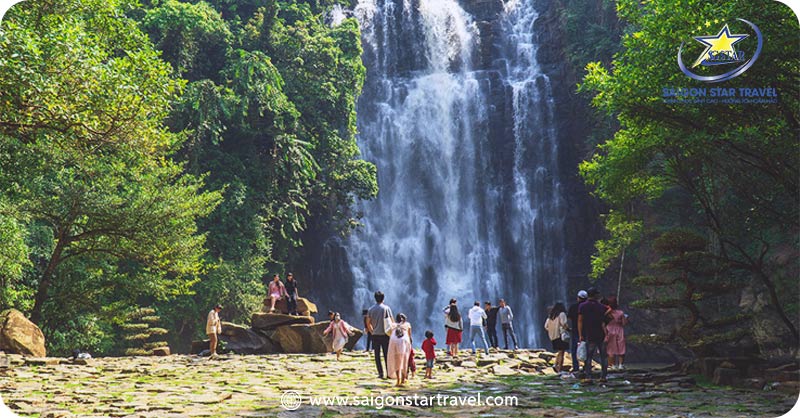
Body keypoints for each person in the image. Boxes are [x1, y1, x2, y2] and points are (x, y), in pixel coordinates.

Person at [578, 287, 609, 383]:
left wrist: (580, 334)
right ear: (596, 295)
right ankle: (603, 376)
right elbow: (609, 313)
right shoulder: (601, 307)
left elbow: (580, 321)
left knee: (589, 356)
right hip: (600, 333)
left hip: (589, 333)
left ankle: (588, 376)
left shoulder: (582, 306)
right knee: (603, 356)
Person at [366, 291, 394, 379]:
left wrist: (372, 331)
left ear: (375, 298)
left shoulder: (371, 309)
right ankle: (389, 372)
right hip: (385, 334)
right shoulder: (386, 308)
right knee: (387, 354)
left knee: (377, 354)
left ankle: (380, 373)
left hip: (375, 335)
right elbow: (392, 321)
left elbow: (368, 322)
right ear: (383, 298)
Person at [387, 313, 412, 386]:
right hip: (404, 341)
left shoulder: (393, 325)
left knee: (396, 361)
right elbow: (409, 334)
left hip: (394, 342)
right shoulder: (407, 324)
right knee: (404, 360)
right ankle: (403, 379)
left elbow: (389, 333)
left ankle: (398, 379)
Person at [544, 302, 569, 373]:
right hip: (560, 336)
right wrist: (569, 330)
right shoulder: (562, 314)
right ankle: (559, 368)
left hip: (553, 336)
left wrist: (552, 330)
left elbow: (546, 326)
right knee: (562, 352)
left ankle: (556, 365)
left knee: (559, 351)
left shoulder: (551, 316)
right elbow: (564, 324)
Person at [567, 290, 588, 374]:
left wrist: (569, 327)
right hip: (587, 330)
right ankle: (586, 365)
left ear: (578, 298)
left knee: (574, 349)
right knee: (587, 348)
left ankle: (576, 367)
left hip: (575, 330)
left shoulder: (573, 307)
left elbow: (569, 318)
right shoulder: (587, 307)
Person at [605, 296, 629, 370]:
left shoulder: (607, 312)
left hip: (609, 330)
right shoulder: (620, 313)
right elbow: (624, 323)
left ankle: (611, 365)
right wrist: (626, 318)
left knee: (610, 349)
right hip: (619, 330)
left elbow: (602, 318)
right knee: (621, 347)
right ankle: (621, 365)